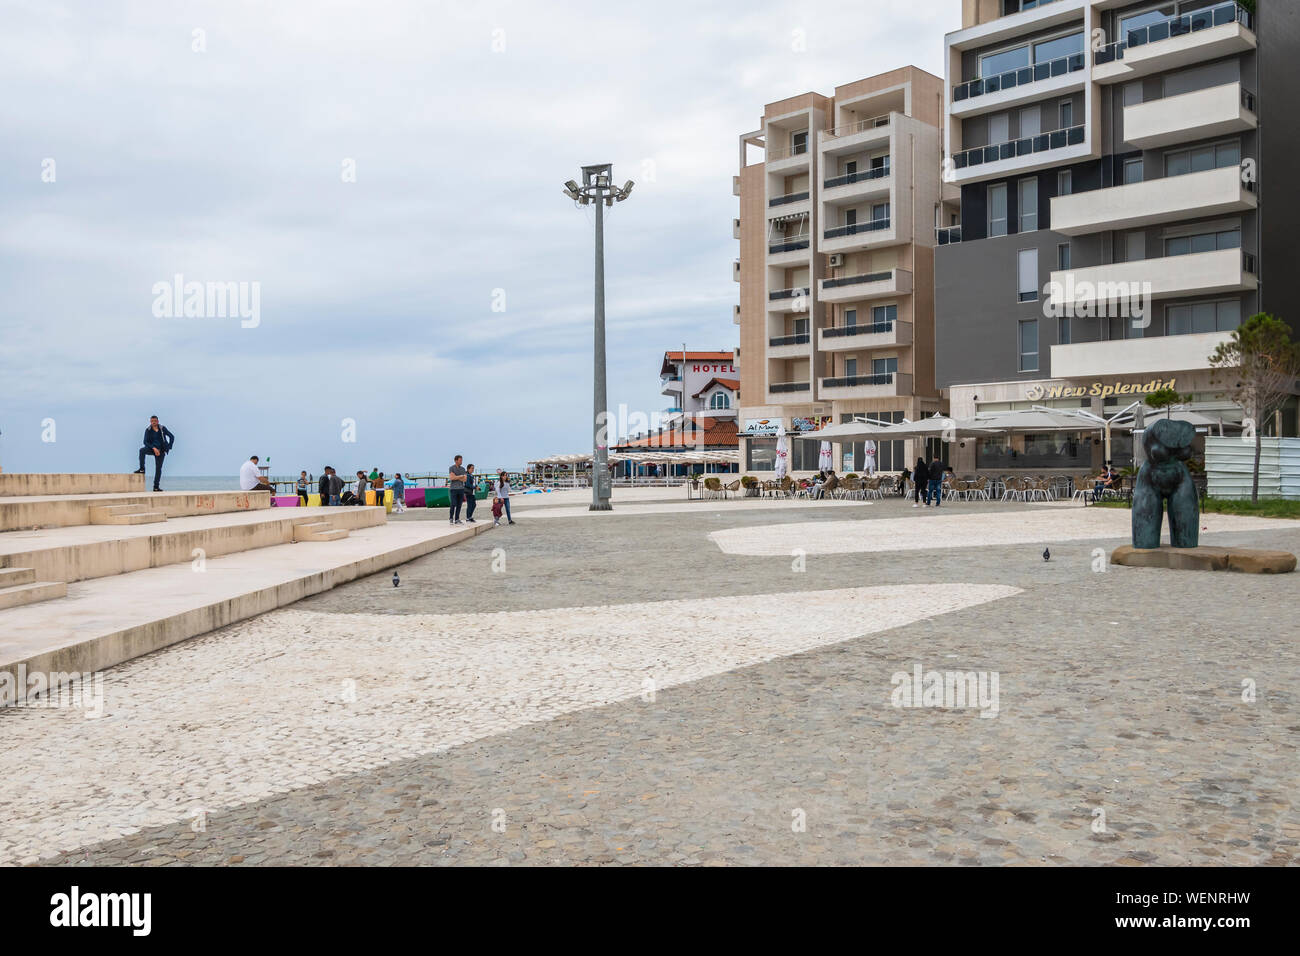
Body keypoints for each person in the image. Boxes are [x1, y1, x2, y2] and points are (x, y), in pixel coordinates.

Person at [134, 415, 175, 492]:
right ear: (150, 422)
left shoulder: (162, 429)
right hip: (152, 449)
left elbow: (172, 436)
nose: (154, 422)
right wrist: (154, 448)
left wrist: (169, 447)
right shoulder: (148, 430)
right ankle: (142, 469)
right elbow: (145, 442)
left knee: (158, 469)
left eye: (155, 421)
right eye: (152, 421)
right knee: (142, 450)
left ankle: (156, 487)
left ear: (158, 421)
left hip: (161, 451)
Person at [448, 455, 467, 525]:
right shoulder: (451, 468)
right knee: (453, 504)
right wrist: (460, 476)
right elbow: (451, 478)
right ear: (456, 460)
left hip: (461, 489)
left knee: (459, 505)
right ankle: (451, 518)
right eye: (460, 460)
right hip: (453, 489)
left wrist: (456, 477)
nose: (461, 461)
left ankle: (457, 519)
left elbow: (465, 479)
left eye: (462, 460)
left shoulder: (463, 469)